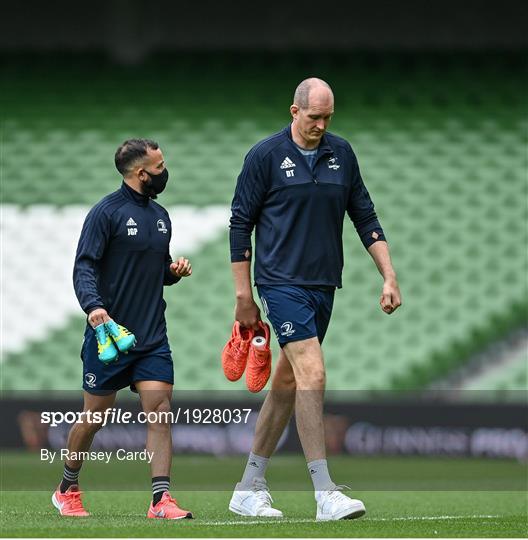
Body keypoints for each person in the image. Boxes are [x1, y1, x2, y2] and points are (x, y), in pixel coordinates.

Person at [227, 78, 401, 520]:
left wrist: (389, 276)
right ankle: (325, 491)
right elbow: (239, 226)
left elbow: (365, 216)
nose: (320, 125)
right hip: (280, 284)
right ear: (294, 111)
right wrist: (244, 297)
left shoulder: (341, 154)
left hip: (324, 285)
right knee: (313, 373)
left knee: (286, 384)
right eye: (313, 117)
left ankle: (248, 486)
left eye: (327, 118)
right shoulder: (264, 156)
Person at [51, 138, 194, 519]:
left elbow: (155, 270)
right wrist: (94, 307)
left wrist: (172, 273)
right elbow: (84, 266)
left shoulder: (161, 216)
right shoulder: (106, 213)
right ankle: (67, 487)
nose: (165, 172)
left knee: (160, 409)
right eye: (160, 167)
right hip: (109, 335)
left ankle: (160, 500)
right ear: (139, 173)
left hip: (151, 335)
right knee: (95, 416)